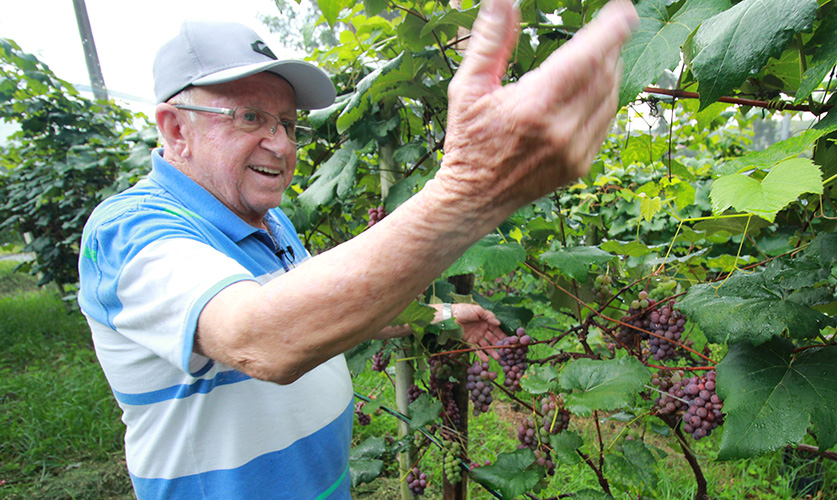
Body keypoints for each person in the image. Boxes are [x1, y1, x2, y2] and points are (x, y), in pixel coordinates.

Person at [77, 0, 638, 498]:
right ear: (176, 130)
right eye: (250, 116)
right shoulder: (127, 231)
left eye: (288, 123)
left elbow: (317, 311)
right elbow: (260, 339)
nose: (280, 142)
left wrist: (442, 314)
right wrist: (470, 189)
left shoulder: (267, 222)